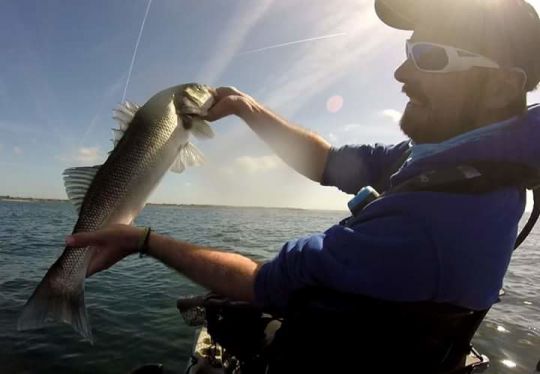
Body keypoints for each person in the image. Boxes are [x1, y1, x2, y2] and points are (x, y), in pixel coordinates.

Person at [67, 0, 540, 367]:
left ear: (501, 86)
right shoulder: (450, 163)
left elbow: (261, 284)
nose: (400, 71)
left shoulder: (431, 223)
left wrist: (143, 240)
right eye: (408, 52)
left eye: (429, 57)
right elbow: (330, 163)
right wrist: (246, 107)